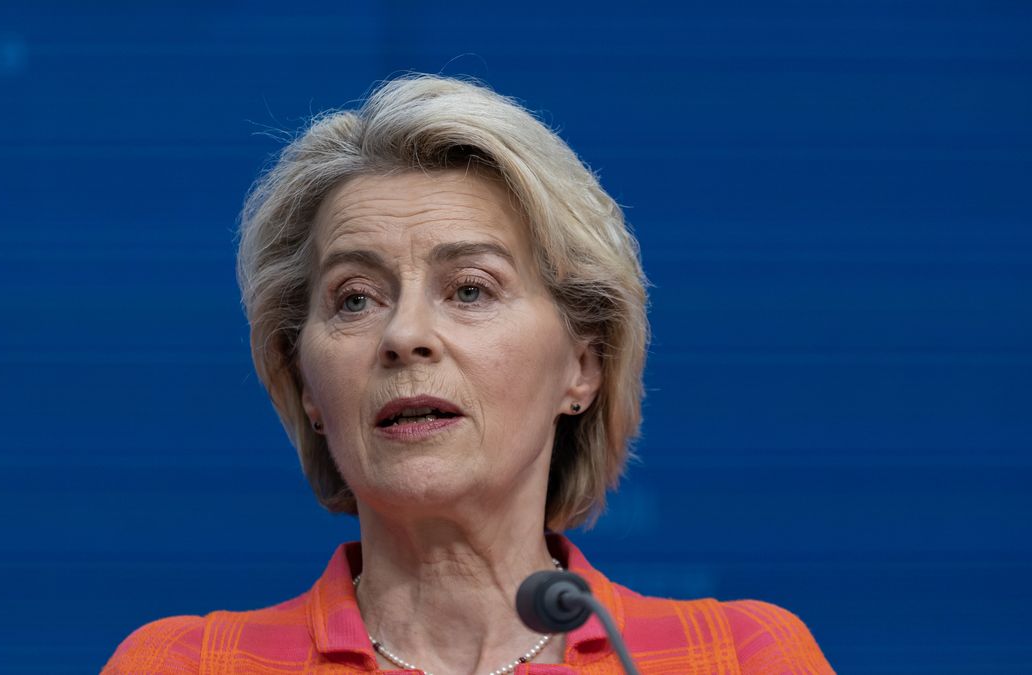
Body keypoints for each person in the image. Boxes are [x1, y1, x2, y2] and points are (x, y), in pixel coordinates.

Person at [100, 74, 834, 674]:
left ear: (583, 366)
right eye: (354, 298)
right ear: (305, 385)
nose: (406, 335)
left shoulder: (740, 656)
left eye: (470, 289)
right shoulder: (185, 663)